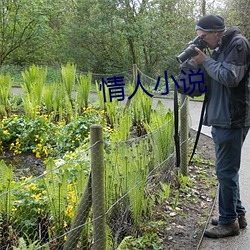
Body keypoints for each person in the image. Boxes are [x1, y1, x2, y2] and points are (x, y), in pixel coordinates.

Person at [192, 15, 250, 238]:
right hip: (222, 117)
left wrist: (205, 61)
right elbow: (213, 78)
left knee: (225, 171)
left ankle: (228, 223)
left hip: (232, 118)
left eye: (204, 36)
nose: (203, 41)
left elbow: (230, 77)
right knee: (227, 171)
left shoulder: (238, 44)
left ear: (216, 32)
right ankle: (237, 214)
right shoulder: (220, 47)